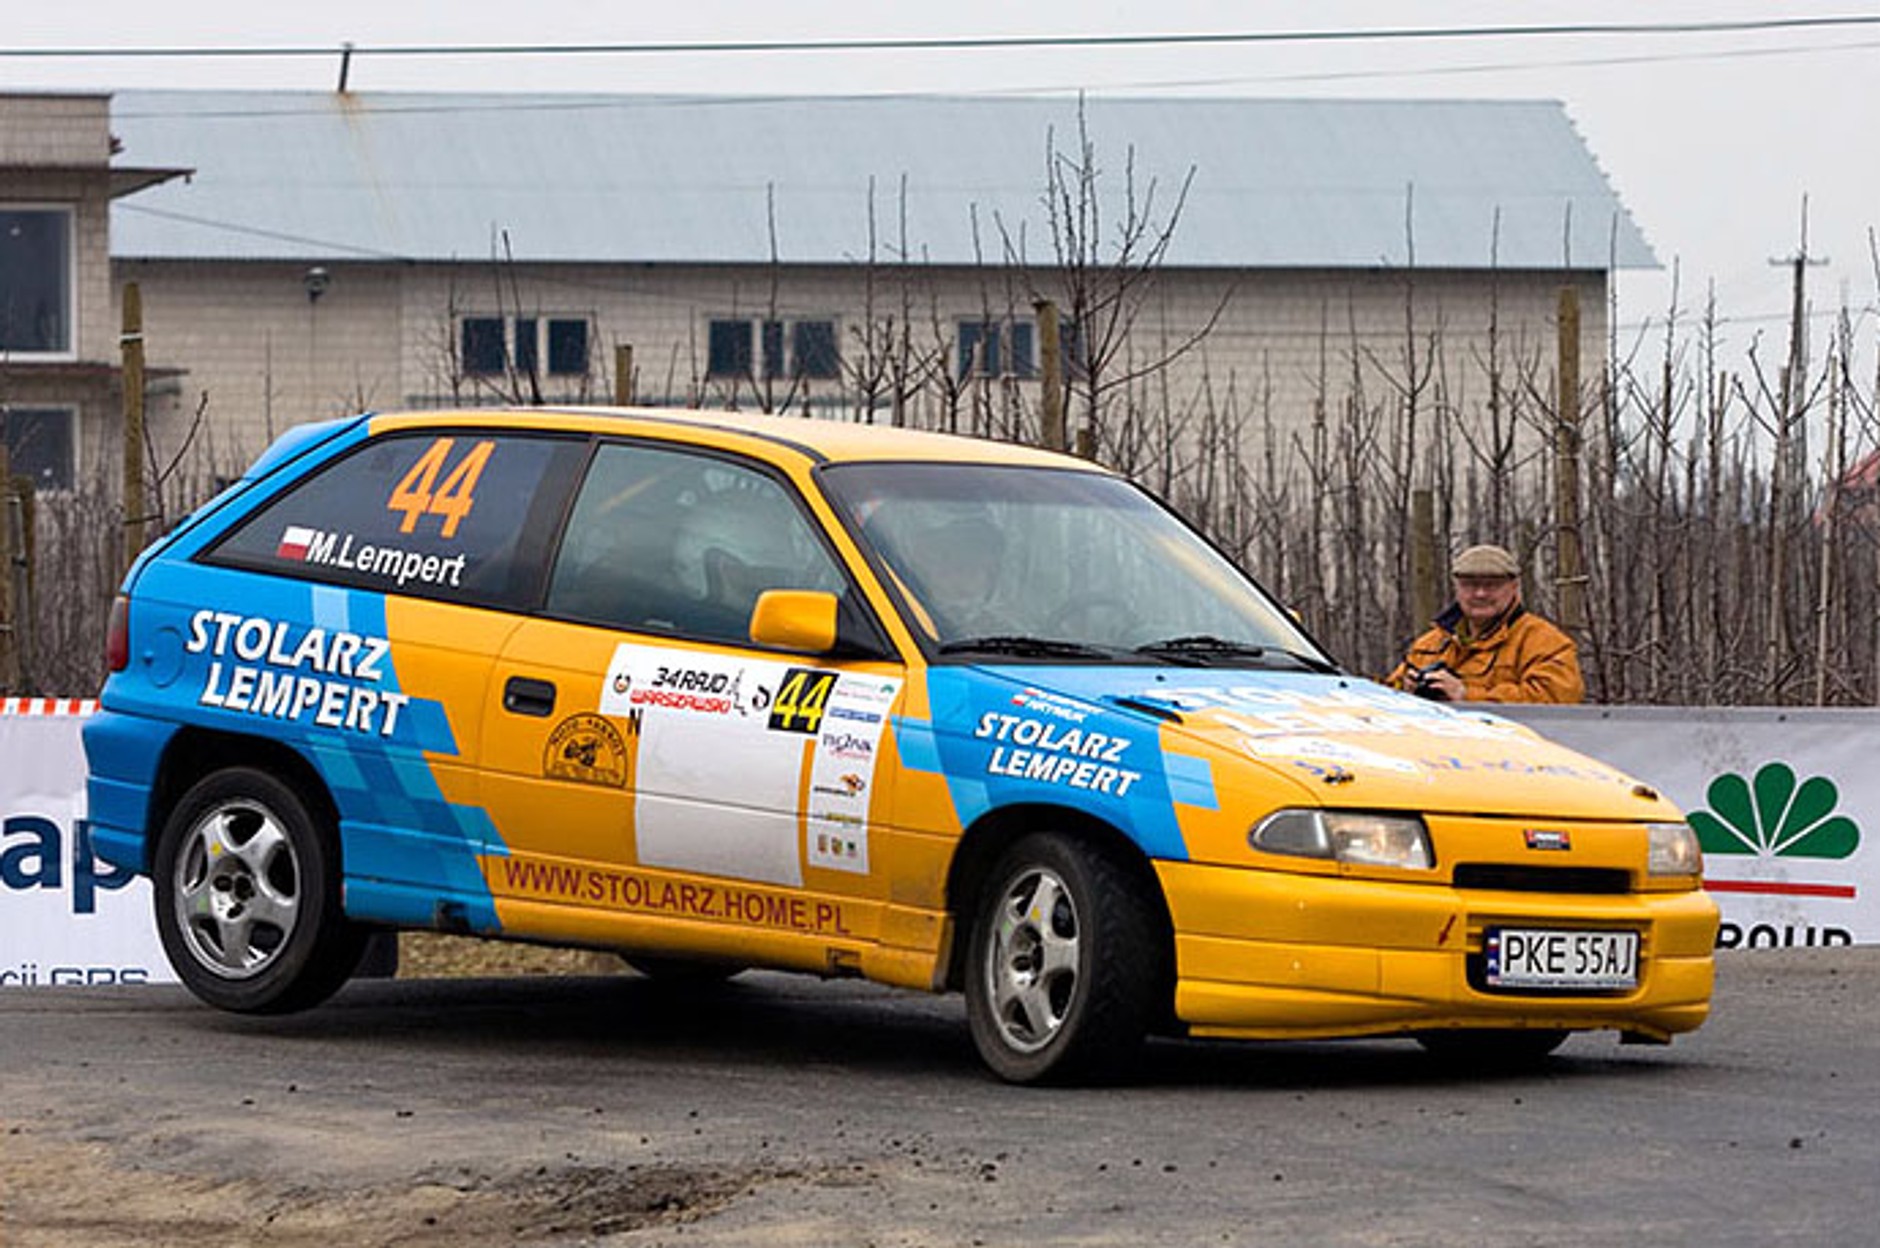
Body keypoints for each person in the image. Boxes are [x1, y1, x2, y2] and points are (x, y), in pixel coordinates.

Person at [1386, 543, 1584, 704]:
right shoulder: (1429, 645)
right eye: (1470, 584)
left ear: (1514, 587)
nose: (1480, 593)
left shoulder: (1545, 642)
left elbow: (1556, 701)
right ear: (1457, 588)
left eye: (1491, 585)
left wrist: (1466, 695)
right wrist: (1405, 689)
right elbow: (1383, 696)